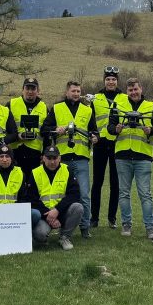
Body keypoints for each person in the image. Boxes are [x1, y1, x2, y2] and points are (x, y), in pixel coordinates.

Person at [109, 76, 153, 239]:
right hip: (123, 155)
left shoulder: (151, 106)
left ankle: (150, 227)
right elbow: (110, 127)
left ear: (141, 89)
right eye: (130, 90)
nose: (133, 92)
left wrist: (151, 130)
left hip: (143, 155)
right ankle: (126, 224)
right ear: (127, 91)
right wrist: (116, 129)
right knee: (124, 193)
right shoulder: (118, 105)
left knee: (145, 193)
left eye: (136, 89)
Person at [44, 80, 99, 238]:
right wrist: (56, 129)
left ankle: (85, 227)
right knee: (62, 194)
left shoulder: (87, 110)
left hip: (81, 158)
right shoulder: (57, 108)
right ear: (66, 92)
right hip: (62, 160)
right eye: (73, 91)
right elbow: (44, 129)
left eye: (78, 91)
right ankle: (62, 224)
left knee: (84, 194)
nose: (76, 94)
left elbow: (94, 131)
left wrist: (95, 137)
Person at [91, 65, 129, 228]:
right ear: (104, 81)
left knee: (115, 183)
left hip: (117, 143)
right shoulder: (95, 98)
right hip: (100, 143)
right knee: (97, 182)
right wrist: (93, 135)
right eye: (108, 79)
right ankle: (94, 218)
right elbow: (90, 120)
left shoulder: (125, 98)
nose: (111, 82)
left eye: (113, 79)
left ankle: (112, 218)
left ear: (117, 81)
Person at [26, 145, 84, 250]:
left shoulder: (67, 170)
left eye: (55, 158)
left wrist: (57, 210)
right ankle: (40, 239)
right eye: (49, 158)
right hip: (44, 215)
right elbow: (31, 199)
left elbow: (74, 194)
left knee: (78, 207)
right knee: (40, 234)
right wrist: (48, 215)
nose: (52, 162)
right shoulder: (35, 172)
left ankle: (65, 237)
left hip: (62, 211)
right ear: (43, 158)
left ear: (60, 158)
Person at [9, 77, 48, 173]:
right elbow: (5, 128)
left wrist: (45, 153)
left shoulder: (44, 107)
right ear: (22, 90)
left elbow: (46, 133)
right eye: (27, 88)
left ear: (38, 91)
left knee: (32, 181)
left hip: (35, 154)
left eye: (33, 89)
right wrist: (17, 137)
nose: (30, 92)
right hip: (15, 152)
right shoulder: (11, 104)